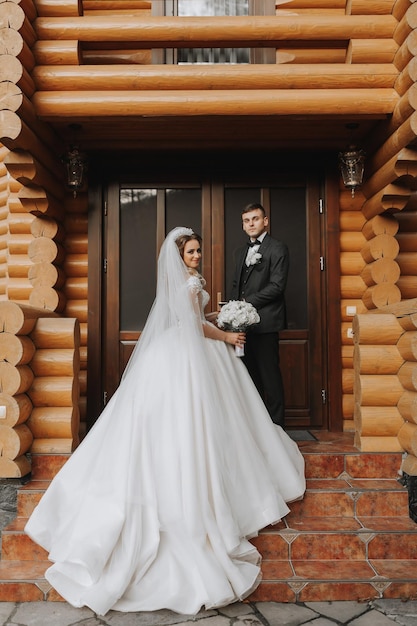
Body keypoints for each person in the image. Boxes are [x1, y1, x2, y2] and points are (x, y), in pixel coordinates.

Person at [25, 227, 304, 617]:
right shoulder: (189, 283)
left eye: (198, 251)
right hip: (189, 356)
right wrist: (225, 337)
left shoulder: (188, 284)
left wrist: (218, 314)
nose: (196, 256)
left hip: (174, 351)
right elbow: (191, 325)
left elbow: (189, 317)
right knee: (194, 421)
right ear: (179, 255)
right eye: (191, 252)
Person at [230, 203, 288, 427]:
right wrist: (233, 313)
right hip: (242, 327)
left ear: (265, 221)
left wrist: (245, 303)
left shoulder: (277, 248)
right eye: (247, 220)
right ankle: (257, 428)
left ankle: (277, 428)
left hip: (267, 323)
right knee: (249, 377)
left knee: (270, 377)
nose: (251, 223)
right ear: (243, 225)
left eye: (255, 219)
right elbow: (237, 285)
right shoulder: (239, 252)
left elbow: (277, 286)